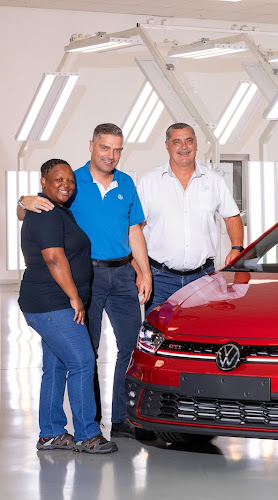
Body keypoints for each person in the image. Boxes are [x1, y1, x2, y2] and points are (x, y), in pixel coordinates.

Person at [18, 124, 151, 440]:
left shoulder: (126, 182)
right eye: (105, 147)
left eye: (117, 149)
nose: (111, 155)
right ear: (92, 145)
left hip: (122, 274)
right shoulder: (72, 182)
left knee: (131, 348)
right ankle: (90, 424)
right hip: (85, 275)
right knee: (84, 351)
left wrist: (143, 271)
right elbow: (37, 213)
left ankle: (121, 418)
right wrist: (23, 201)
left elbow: (134, 231)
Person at [19, 159, 117, 454]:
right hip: (53, 304)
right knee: (83, 362)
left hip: (47, 303)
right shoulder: (45, 213)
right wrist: (75, 297)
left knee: (56, 365)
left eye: (70, 180)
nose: (66, 184)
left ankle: (50, 433)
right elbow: (54, 258)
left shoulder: (59, 212)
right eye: (58, 179)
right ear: (43, 182)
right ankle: (88, 434)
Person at [137, 123, 243, 314]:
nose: (184, 147)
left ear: (196, 144)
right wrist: (139, 270)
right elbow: (135, 228)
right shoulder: (148, 182)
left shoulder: (214, 181)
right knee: (159, 336)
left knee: (202, 334)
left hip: (203, 278)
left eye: (189, 140)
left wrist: (237, 248)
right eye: (176, 141)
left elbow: (232, 216)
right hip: (159, 279)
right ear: (167, 145)